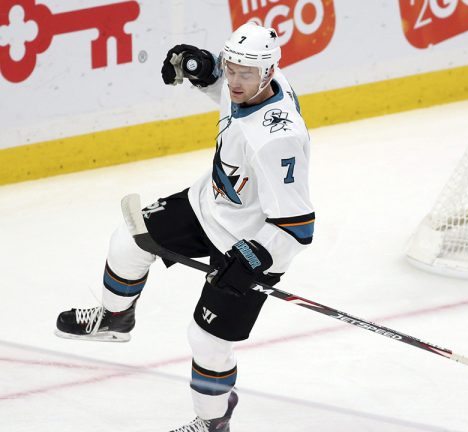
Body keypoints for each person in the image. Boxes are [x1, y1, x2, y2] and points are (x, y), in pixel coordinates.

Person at [55, 22, 314, 432]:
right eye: (231, 67)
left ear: (268, 71)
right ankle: (114, 319)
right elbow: (225, 90)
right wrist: (205, 69)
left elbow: (297, 226)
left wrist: (250, 260)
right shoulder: (251, 78)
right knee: (128, 241)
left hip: (251, 245)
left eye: (244, 73)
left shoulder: (276, 140)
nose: (235, 80)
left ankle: (212, 423)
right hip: (208, 206)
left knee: (208, 343)